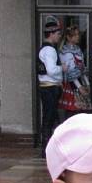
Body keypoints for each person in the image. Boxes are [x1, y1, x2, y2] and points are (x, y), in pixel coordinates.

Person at [37, 16, 68, 151]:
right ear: (51, 34)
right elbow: (51, 70)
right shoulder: (49, 50)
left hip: (49, 87)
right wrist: (62, 68)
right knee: (49, 117)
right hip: (49, 87)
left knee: (51, 117)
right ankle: (47, 148)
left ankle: (48, 147)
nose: (59, 36)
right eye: (57, 34)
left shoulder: (46, 49)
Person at [59, 25, 90, 116]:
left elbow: (82, 68)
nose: (77, 37)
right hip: (71, 83)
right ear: (68, 37)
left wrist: (87, 83)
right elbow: (70, 72)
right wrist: (79, 87)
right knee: (73, 111)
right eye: (75, 35)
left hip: (80, 81)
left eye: (78, 34)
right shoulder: (65, 52)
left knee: (82, 111)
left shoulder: (78, 49)